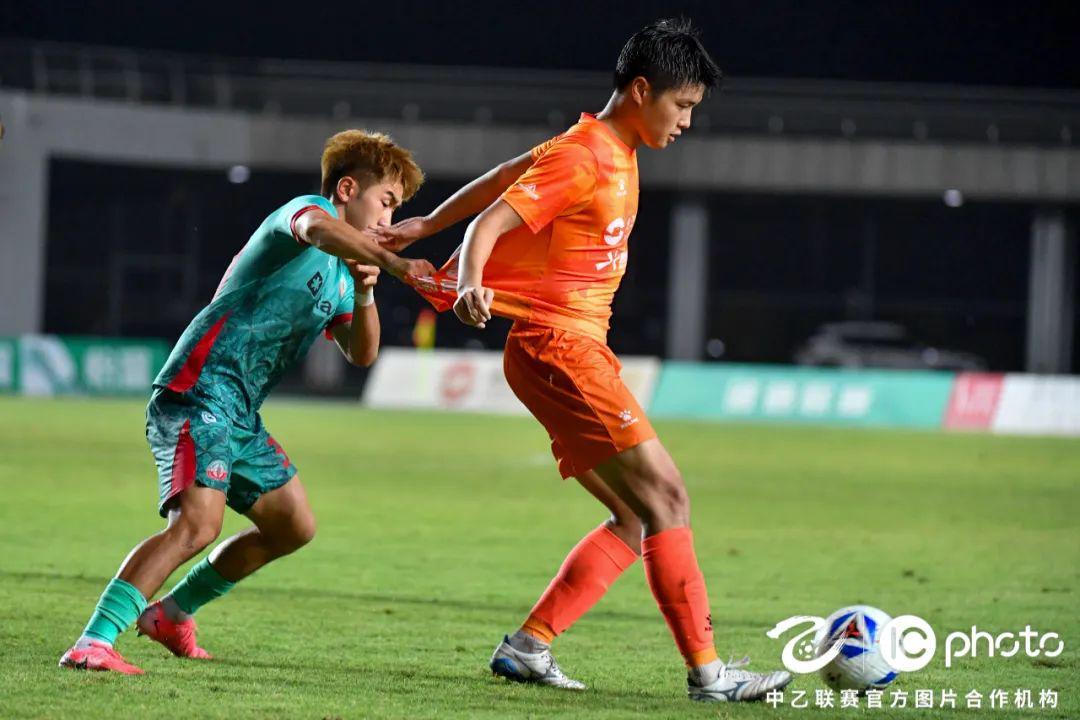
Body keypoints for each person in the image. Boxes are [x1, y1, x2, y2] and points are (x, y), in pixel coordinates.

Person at [377, 19, 792, 702]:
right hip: (559, 346)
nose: (687, 122)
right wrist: (471, 278)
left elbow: (505, 177)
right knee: (668, 497)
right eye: (682, 105)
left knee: (633, 514)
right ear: (641, 90)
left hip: (558, 349)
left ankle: (528, 646)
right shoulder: (586, 156)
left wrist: (425, 224)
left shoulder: (600, 146)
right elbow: (492, 221)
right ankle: (710, 676)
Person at [59, 130, 434, 674]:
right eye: (387, 201)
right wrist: (394, 262)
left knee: (293, 525)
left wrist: (368, 287)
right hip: (198, 389)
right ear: (348, 189)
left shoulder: (343, 272)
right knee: (196, 526)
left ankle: (172, 614)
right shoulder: (305, 215)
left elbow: (363, 354)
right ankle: (93, 641)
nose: (389, 218)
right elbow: (316, 229)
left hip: (240, 413)